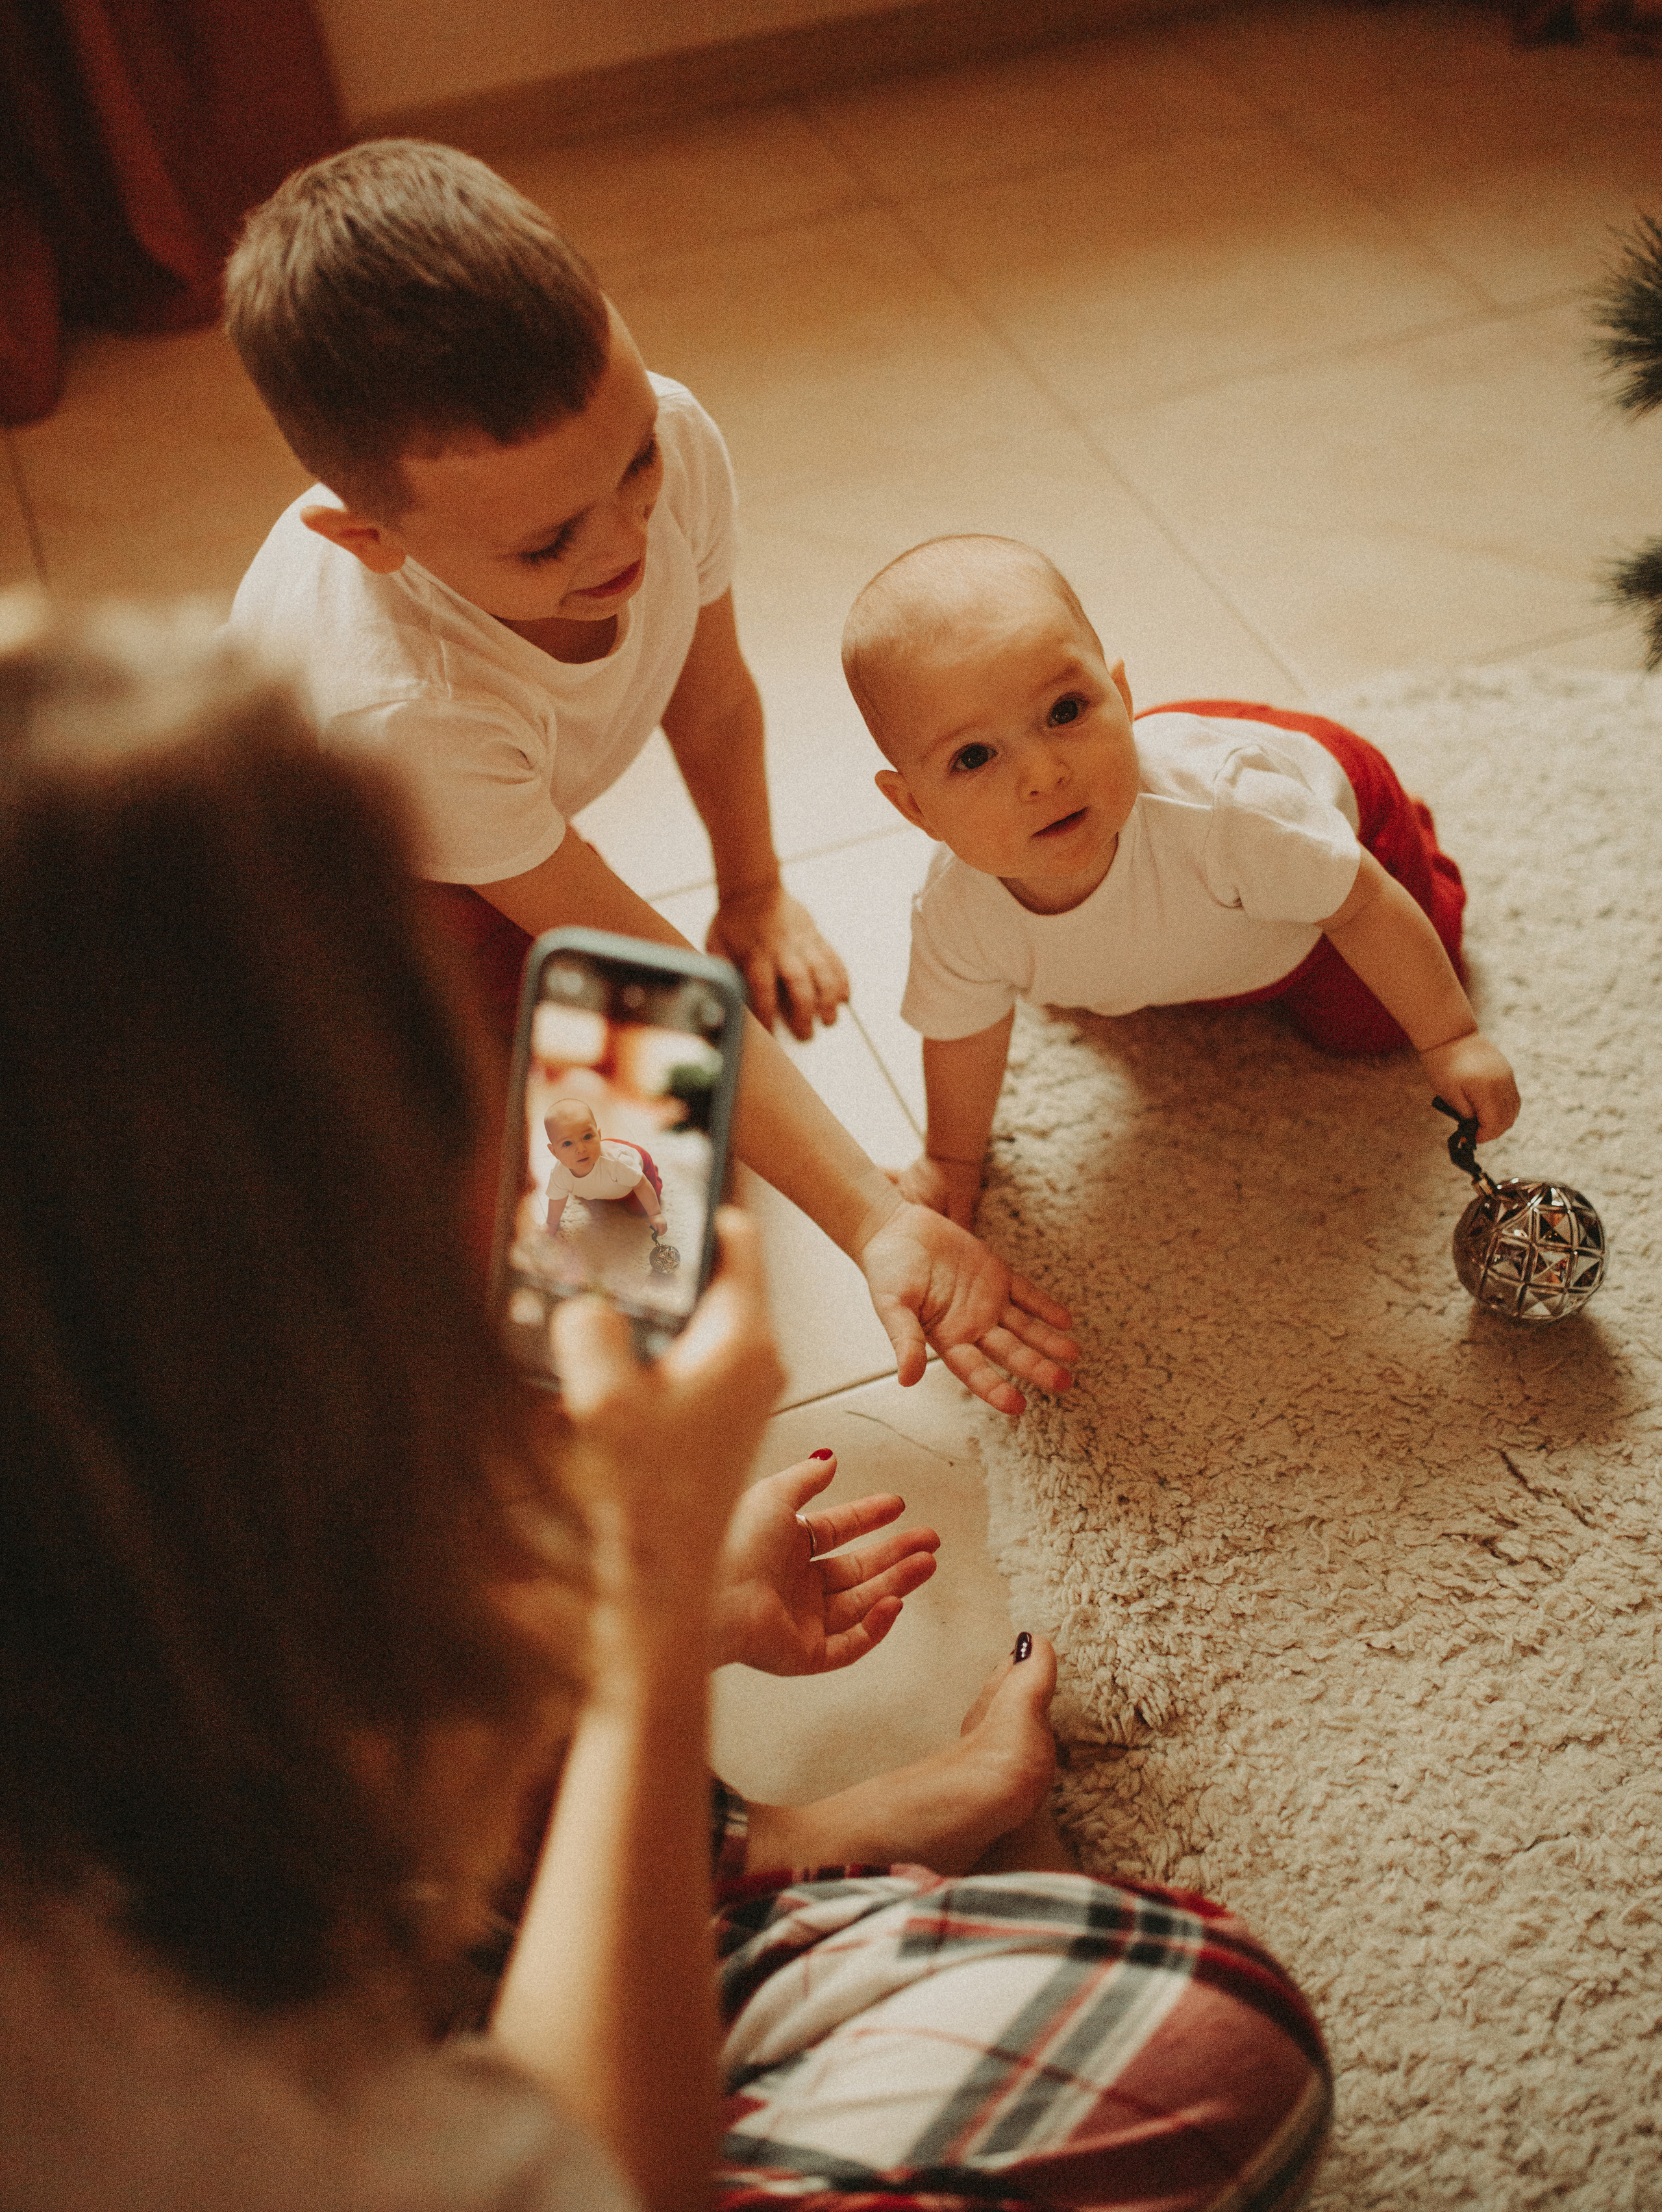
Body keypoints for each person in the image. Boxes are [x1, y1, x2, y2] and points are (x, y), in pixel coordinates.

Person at [0, 601, 1332, 2212]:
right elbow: (595, 2177)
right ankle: (731, 1878)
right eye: (418, 1091)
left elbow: (326, 1753)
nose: (494, 1140)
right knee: (1203, 2035)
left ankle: (741, 1861)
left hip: (372, 1948)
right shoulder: (85, 2020)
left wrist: (636, 1618)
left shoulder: (132, 1508)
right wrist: (632, 1615)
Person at [221, 140, 1076, 1419]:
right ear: (368, 537)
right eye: (548, 539)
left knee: (655, 1146)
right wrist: (870, 1219)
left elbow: (711, 692)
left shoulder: (666, 429)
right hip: (337, 920)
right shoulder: (396, 704)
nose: (628, 537)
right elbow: (636, 958)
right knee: (586, 1287)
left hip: (483, 842)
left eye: (629, 468)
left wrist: (754, 888)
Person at [842, 534, 1521, 1226]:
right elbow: (962, 1033)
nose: (1043, 775)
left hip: (1326, 821)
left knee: (1366, 1026)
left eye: (1066, 710)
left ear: (1121, 694)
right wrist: (952, 1160)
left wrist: (1452, 1040)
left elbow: (1365, 903)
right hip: (1220, 865)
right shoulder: (957, 911)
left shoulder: (1229, 815)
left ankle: (1412, 830)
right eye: (975, 755)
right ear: (915, 807)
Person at [543, 1100, 667, 1236]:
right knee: (588, 1196)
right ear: (554, 1152)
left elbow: (642, 1184)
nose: (581, 1149)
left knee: (638, 1209)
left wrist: (656, 1214)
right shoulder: (560, 1175)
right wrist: (551, 1225)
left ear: (599, 1135)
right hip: (613, 1177)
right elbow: (557, 1199)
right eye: (567, 1143)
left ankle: (654, 1172)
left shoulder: (617, 1163)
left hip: (638, 1169)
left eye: (587, 1137)